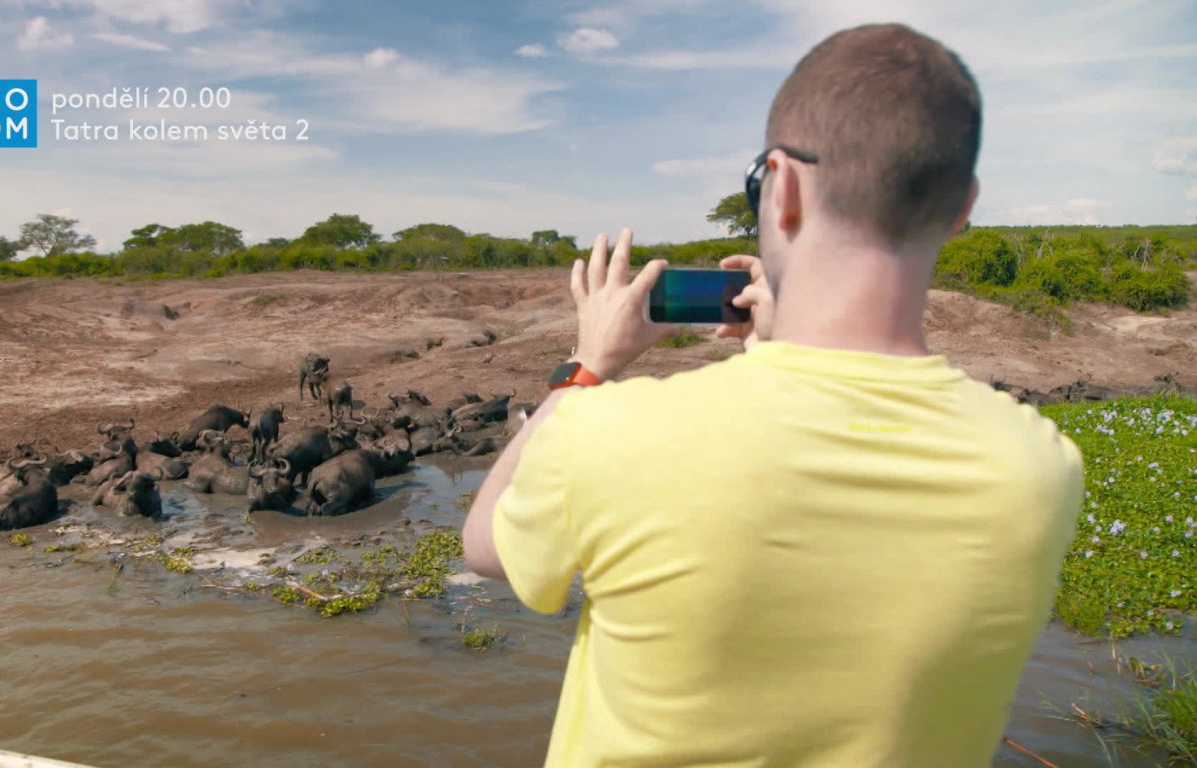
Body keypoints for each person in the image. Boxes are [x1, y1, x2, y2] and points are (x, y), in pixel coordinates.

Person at [461, 22, 1084, 768]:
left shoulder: (611, 433)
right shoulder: (1040, 467)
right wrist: (779, 344)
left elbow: (485, 546)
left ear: (781, 186)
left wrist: (587, 365)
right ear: (961, 207)